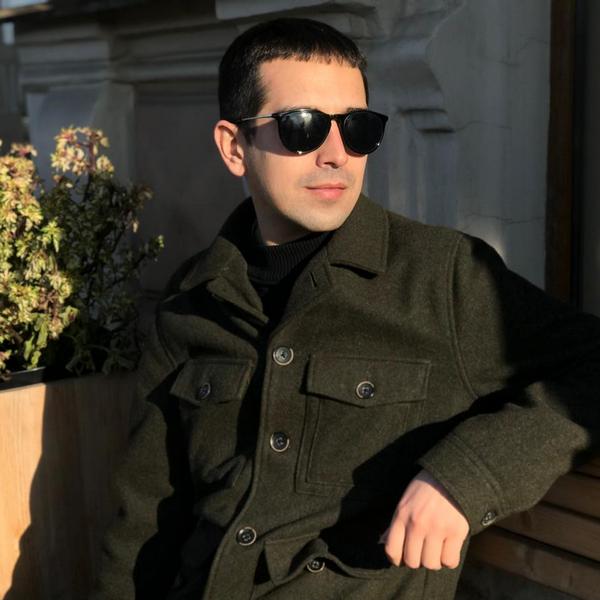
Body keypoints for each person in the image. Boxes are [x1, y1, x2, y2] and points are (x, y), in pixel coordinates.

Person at [90, 17, 600, 600]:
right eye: (302, 127)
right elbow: (144, 520)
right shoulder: (192, 300)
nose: (337, 154)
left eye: (357, 128)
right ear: (234, 147)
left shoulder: (443, 277)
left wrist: (465, 478)